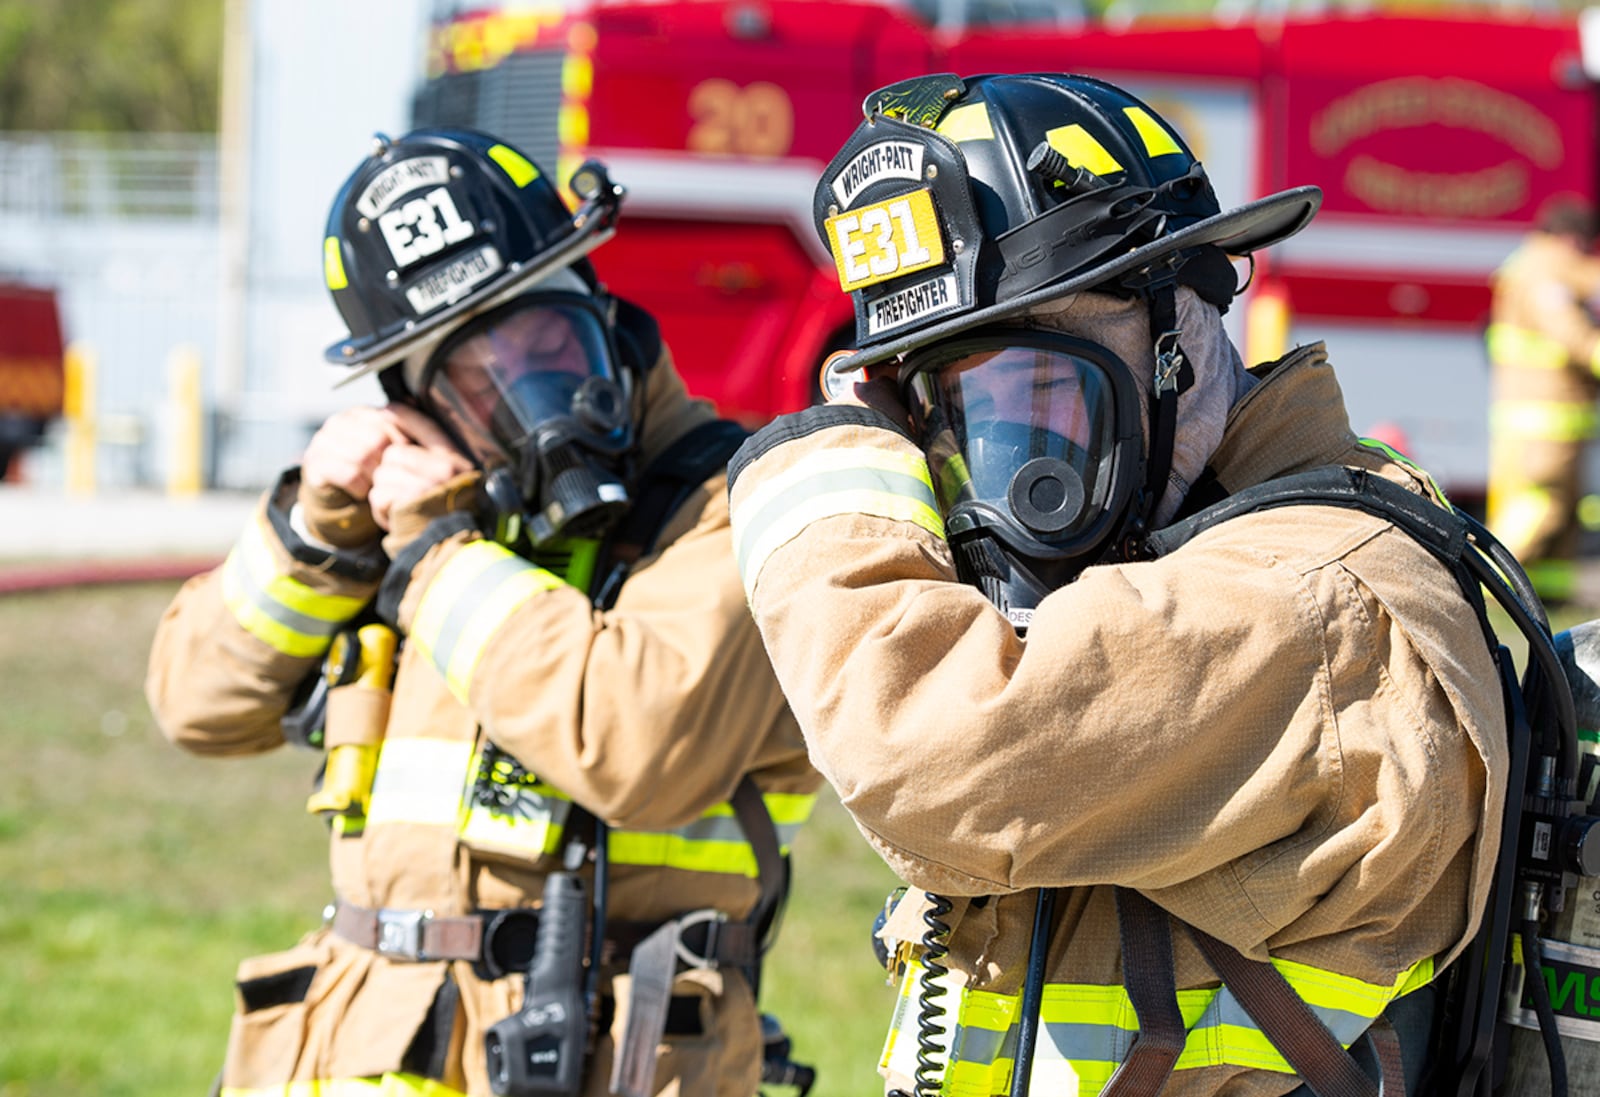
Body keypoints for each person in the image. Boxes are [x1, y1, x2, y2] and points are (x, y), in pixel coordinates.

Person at [727, 73, 1509, 1095]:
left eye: (1031, 388)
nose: (1002, 468)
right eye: (949, 415)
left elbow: (930, 755)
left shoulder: (1315, 595)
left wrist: (825, 475)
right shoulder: (1169, 561)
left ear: (1181, 337)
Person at [146, 128, 819, 1097]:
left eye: (550, 338)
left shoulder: (738, 504)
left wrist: (434, 554)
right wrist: (316, 529)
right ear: (413, 401)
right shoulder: (416, 511)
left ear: (609, 318)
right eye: (479, 370)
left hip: (608, 1051)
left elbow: (636, 742)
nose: (533, 390)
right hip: (359, 1047)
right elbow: (196, 706)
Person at [1486, 195, 1600, 604]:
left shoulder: (1537, 265)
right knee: (1540, 508)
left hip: (1553, 417)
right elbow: (1570, 333)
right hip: (1544, 421)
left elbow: (1588, 279)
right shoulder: (1542, 272)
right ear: (1571, 239)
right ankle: (1491, 584)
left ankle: (1546, 601)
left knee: (1562, 518)